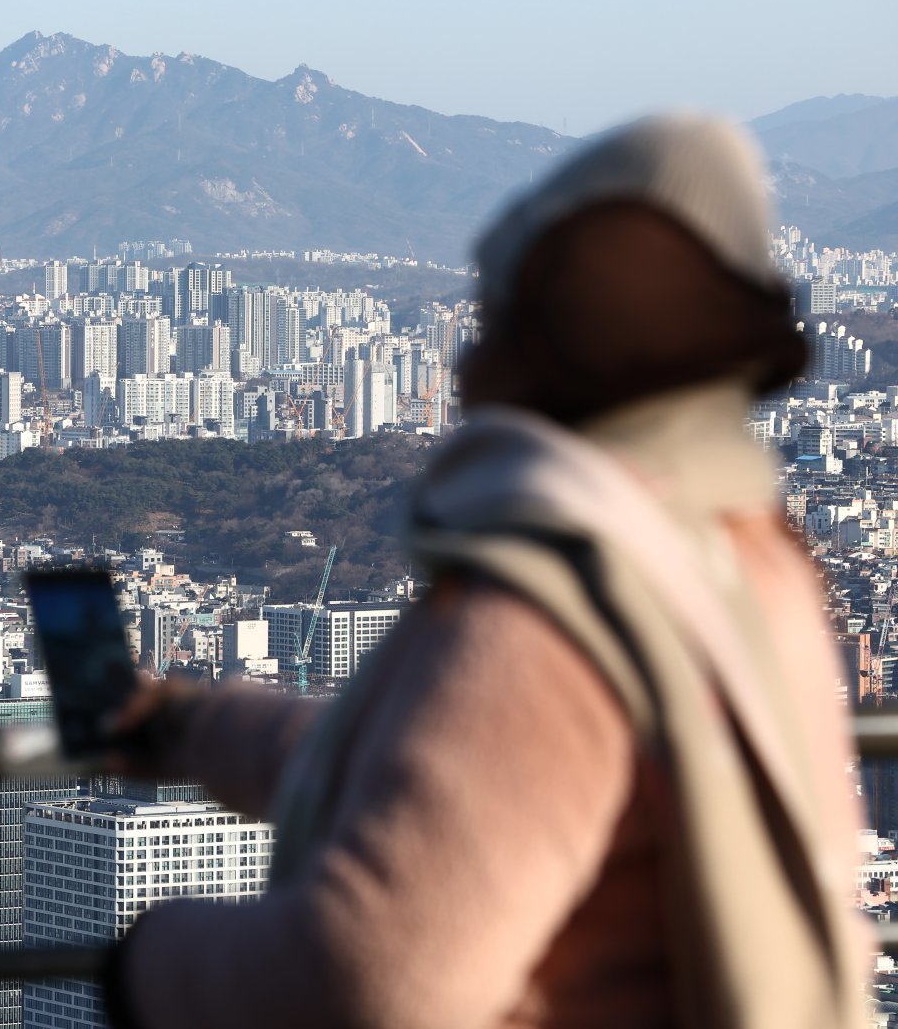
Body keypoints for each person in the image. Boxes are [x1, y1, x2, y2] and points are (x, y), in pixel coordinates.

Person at [99, 115, 871, 1029]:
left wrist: (150, 961)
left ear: (552, 334)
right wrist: (194, 729)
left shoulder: (562, 609)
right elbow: (463, 779)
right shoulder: (749, 561)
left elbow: (371, 975)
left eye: (496, 310)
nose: (468, 351)